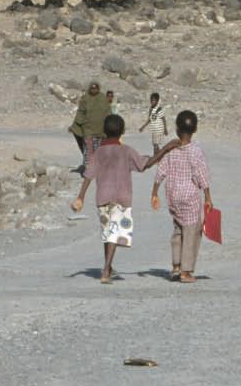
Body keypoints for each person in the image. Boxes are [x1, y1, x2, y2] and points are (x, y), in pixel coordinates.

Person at [70, 114, 176, 284]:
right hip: (121, 197)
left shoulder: (99, 152)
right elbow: (145, 164)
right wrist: (165, 149)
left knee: (108, 233)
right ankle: (106, 269)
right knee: (113, 233)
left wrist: (80, 196)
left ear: (104, 132)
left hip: (102, 197)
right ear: (123, 131)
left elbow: (88, 175)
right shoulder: (126, 151)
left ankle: (108, 267)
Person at [151, 110, 212, 283]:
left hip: (173, 196)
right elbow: (202, 176)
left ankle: (176, 266)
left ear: (177, 129)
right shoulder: (195, 151)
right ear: (195, 129)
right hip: (190, 198)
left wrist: (154, 192)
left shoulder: (171, 150)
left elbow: (161, 171)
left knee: (178, 229)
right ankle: (186, 271)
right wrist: (208, 197)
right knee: (191, 232)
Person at [67, 81, 110, 175]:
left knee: (98, 150)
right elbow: (80, 113)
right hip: (88, 129)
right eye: (92, 88)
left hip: (100, 130)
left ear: (99, 88)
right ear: (89, 88)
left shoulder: (103, 98)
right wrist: (74, 126)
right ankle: (88, 170)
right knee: (88, 150)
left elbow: (108, 113)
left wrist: (112, 125)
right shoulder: (85, 99)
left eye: (96, 88)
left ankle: (98, 169)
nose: (94, 90)